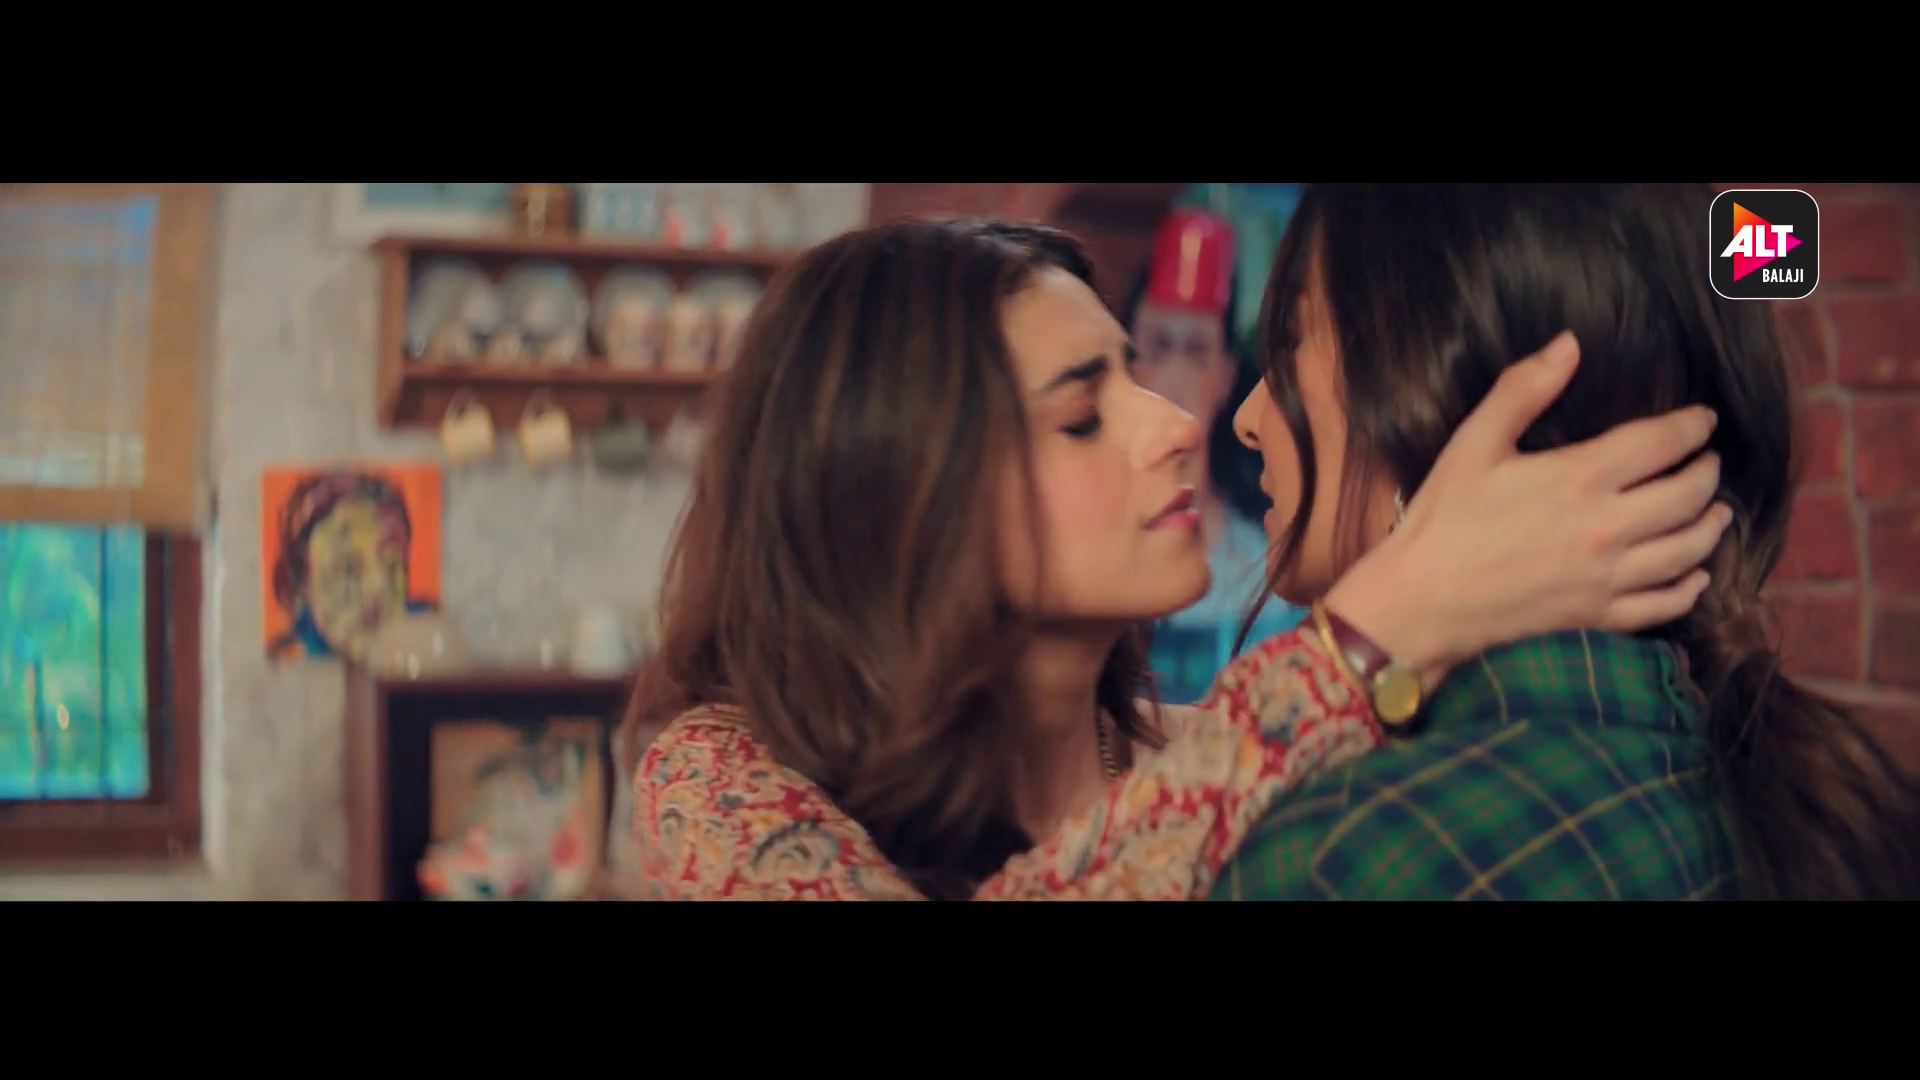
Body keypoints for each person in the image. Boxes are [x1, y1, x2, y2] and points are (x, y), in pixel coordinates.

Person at [626, 217, 1728, 901]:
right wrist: (1377, 626)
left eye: (1138, 374)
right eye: (1081, 416)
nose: (1175, 424)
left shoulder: (1227, 763)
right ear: (899, 494)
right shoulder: (724, 775)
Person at [1209, 183, 1920, 901]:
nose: (1248, 418)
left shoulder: (1342, 857)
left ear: (1433, 387)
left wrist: (1365, 636)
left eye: (1292, 339)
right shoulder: (1784, 786)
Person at [1124, 208, 1305, 703]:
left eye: (1197, 351)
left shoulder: (1264, 560)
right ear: (1129, 360)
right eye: (1159, 346)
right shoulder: (1099, 545)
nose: (1177, 377)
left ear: (1226, 375)